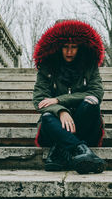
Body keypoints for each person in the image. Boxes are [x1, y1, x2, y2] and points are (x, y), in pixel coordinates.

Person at [32, 19, 106, 174]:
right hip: (55, 126)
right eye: (65, 47)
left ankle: (59, 149)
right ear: (59, 48)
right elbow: (40, 99)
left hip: (84, 123)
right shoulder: (47, 67)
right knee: (46, 117)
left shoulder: (89, 65)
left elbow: (96, 93)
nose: (69, 51)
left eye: (74, 47)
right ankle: (83, 150)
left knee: (91, 103)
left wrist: (60, 100)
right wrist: (60, 111)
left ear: (80, 48)